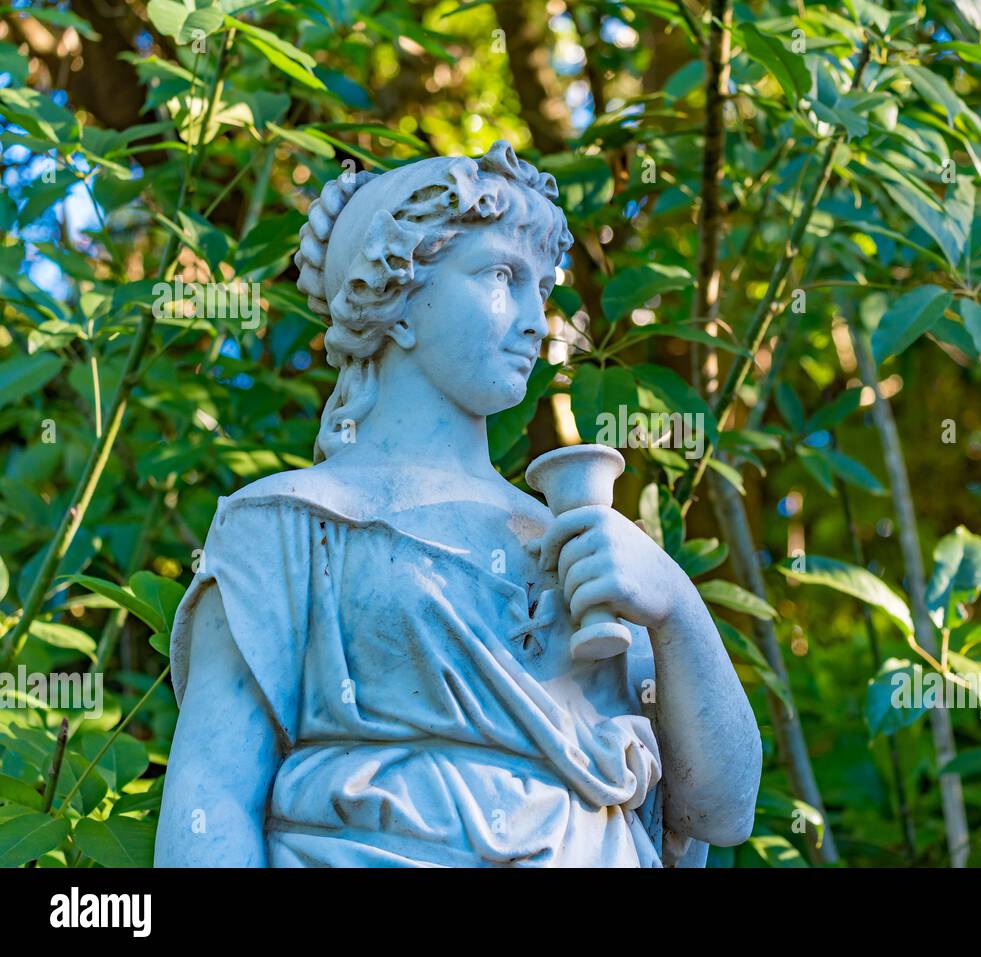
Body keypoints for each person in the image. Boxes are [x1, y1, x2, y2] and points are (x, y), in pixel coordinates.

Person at [155, 141, 762, 867]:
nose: (539, 321)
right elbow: (210, 803)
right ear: (399, 300)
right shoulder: (288, 527)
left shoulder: (588, 551)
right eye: (502, 275)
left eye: (544, 288)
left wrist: (675, 603)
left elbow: (721, 812)